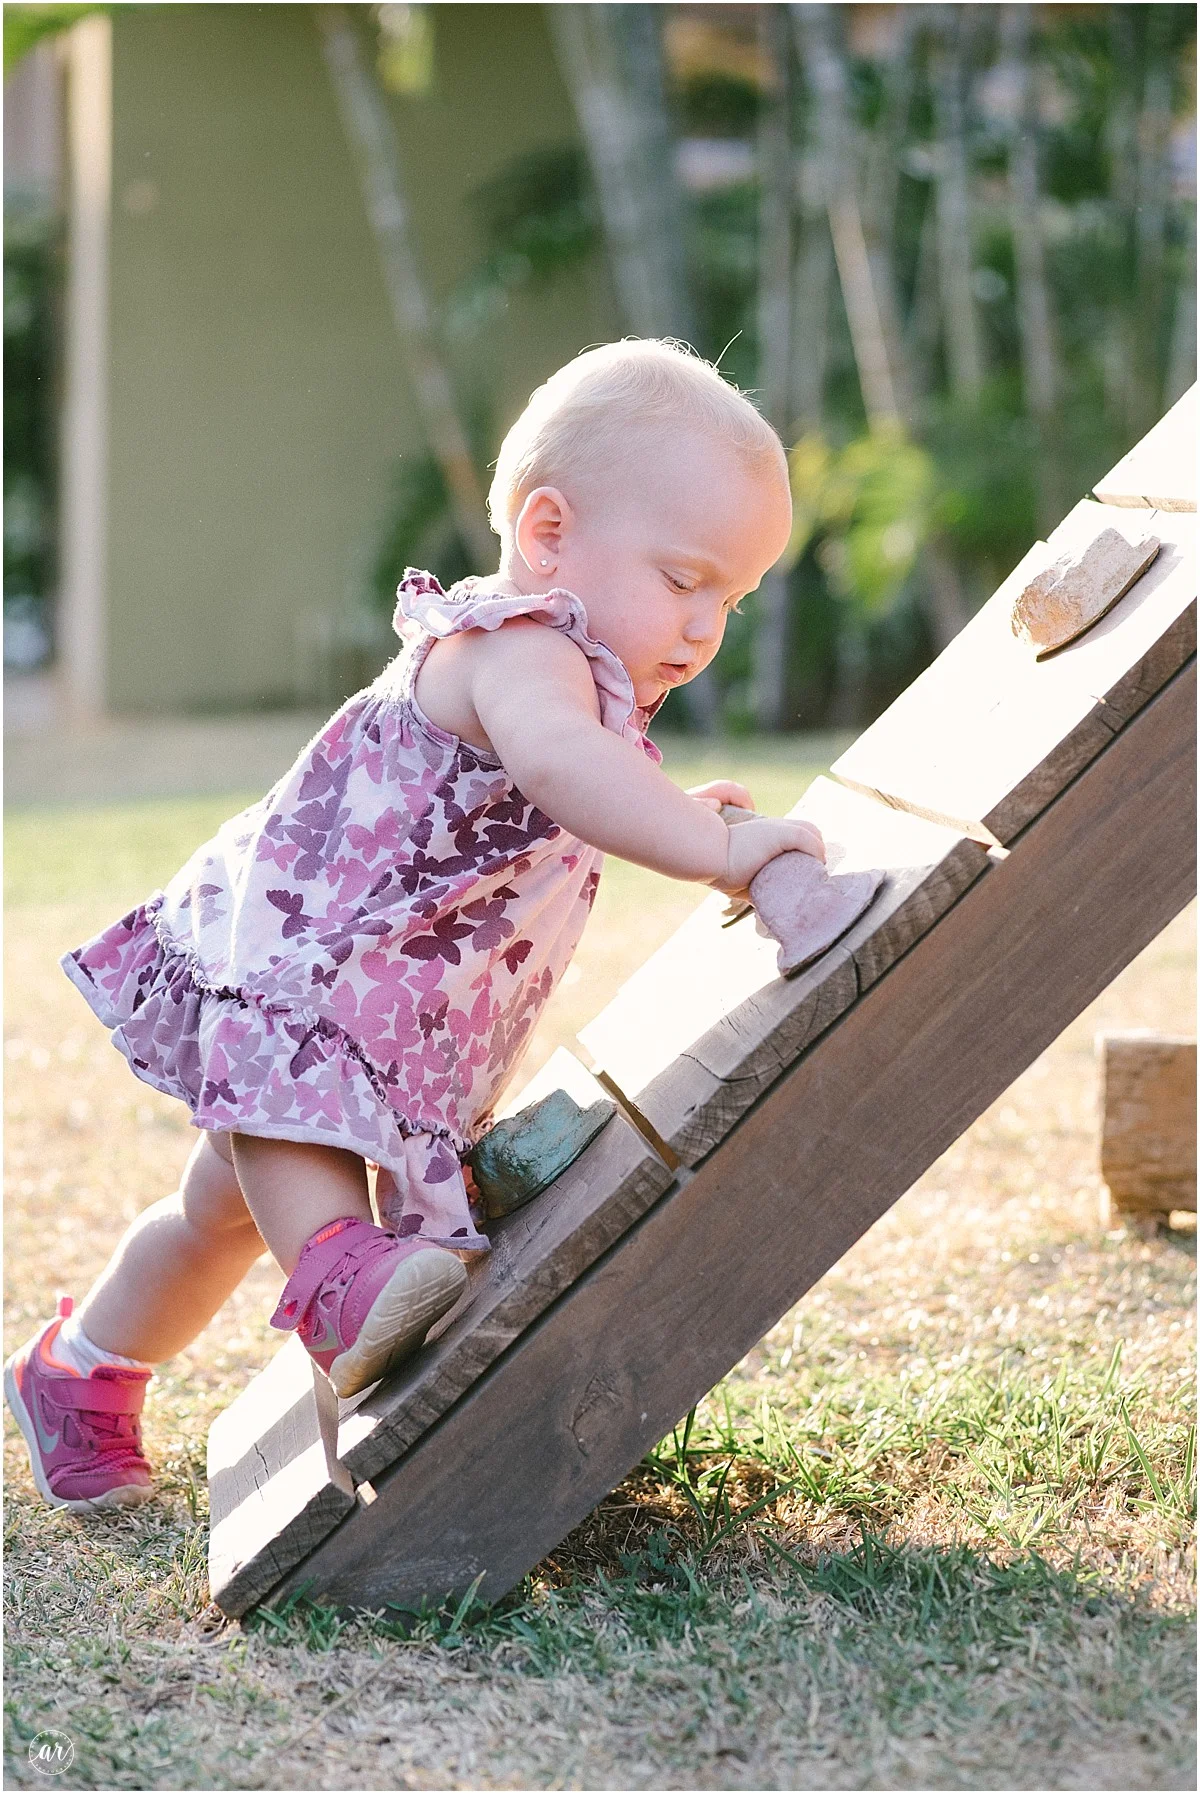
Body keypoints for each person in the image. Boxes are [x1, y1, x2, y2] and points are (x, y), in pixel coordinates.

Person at [5, 338, 824, 1511]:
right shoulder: (521, 642)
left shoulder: (570, 675)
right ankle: (341, 1286)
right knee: (276, 1151)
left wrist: (674, 811)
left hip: (363, 1002)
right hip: (303, 970)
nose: (706, 627)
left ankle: (78, 1369)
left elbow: (553, 800)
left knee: (212, 1219)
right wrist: (721, 851)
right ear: (548, 532)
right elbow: (561, 769)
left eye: (733, 600)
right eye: (687, 577)